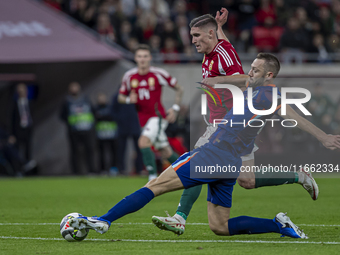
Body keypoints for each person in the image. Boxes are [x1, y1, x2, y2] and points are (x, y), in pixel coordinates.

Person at [69, 53, 340, 239]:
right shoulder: (255, 89)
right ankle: (278, 225)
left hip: (213, 153)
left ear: (269, 74)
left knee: (154, 186)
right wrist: (219, 70)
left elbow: (292, 115)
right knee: (220, 226)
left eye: (256, 69)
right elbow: (241, 80)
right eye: (251, 67)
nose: (250, 72)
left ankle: (104, 220)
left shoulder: (268, 93)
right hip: (230, 162)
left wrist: (323, 137)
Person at [152, 9, 319, 235]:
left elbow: (244, 77)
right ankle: (299, 177)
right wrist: (220, 27)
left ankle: (179, 217)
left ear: (208, 34)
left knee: (199, 163)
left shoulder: (222, 54)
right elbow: (229, 52)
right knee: (247, 181)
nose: (194, 41)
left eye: (197, 36)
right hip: (235, 129)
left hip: (228, 125)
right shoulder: (217, 50)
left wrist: (218, 79)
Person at [118, 44, 183, 181]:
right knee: (165, 151)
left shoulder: (158, 73)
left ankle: (152, 178)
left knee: (143, 142)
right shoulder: (129, 76)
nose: (142, 59)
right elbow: (120, 97)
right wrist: (129, 99)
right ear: (135, 58)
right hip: (143, 119)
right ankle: (187, 172)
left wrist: (175, 108)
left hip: (157, 116)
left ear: (150, 58)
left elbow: (179, 88)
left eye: (145, 56)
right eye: (140, 56)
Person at [59, 82, 96, 175]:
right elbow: (62, 116)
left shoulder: (86, 99)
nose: (74, 90)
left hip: (87, 129)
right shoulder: (66, 101)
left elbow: (93, 112)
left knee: (90, 150)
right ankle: (75, 172)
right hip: (74, 131)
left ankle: (91, 171)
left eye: (76, 88)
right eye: (72, 88)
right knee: (75, 151)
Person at [94, 92, 118, 174]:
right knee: (101, 153)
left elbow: (113, 116)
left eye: (103, 97)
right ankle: (103, 170)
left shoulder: (111, 107)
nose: (102, 100)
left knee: (113, 152)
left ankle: (113, 169)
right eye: (100, 98)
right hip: (100, 135)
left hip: (112, 134)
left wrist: (102, 116)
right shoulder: (95, 108)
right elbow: (95, 118)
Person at [11, 83, 33, 162]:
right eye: (19, 91)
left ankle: (28, 168)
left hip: (28, 129)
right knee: (17, 151)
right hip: (18, 130)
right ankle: (19, 169)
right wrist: (12, 134)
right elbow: (12, 120)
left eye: (23, 90)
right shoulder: (14, 104)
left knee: (28, 150)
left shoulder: (30, 103)